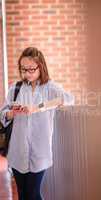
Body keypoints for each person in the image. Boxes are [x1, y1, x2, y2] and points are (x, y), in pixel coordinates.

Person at [0, 47, 75, 200]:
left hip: (40, 153)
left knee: (34, 195)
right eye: (23, 69)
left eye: (31, 69)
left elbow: (69, 99)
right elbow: (3, 114)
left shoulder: (50, 87)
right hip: (17, 151)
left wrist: (37, 108)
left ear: (40, 67)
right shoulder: (15, 88)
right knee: (23, 195)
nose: (26, 73)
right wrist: (12, 112)